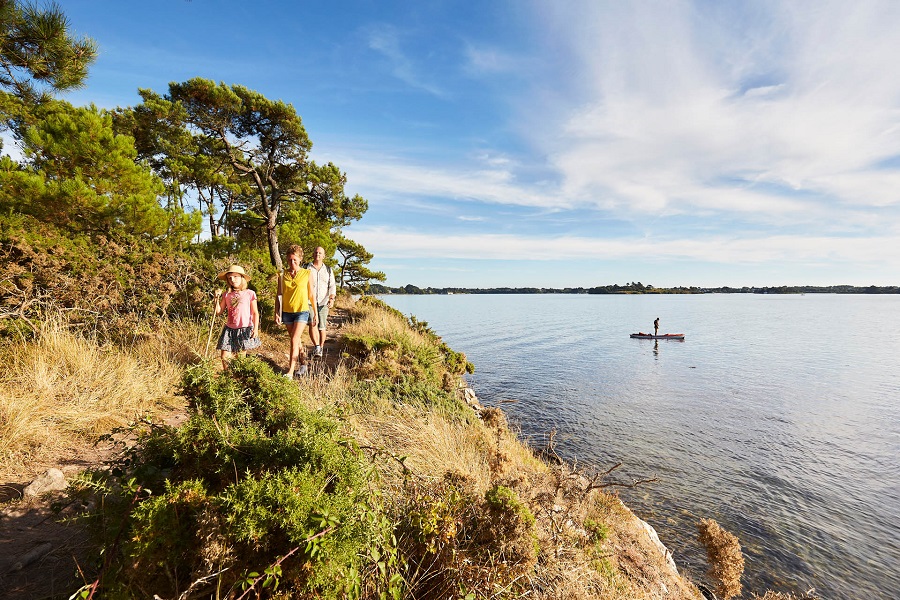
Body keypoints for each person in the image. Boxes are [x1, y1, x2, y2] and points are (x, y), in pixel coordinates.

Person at [275, 245, 317, 378]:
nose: (292, 263)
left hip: (302, 311)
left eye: (294, 260)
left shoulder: (307, 273)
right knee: (296, 341)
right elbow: (279, 295)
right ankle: (303, 364)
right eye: (289, 260)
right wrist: (277, 312)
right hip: (287, 312)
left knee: (294, 339)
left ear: (300, 259)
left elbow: (311, 295)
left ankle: (290, 371)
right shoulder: (282, 275)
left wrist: (315, 313)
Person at [215, 265, 260, 370]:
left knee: (239, 358)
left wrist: (256, 329)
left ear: (242, 278)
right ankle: (228, 377)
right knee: (224, 356)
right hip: (229, 329)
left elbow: (255, 313)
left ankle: (238, 379)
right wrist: (216, 299)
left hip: (244, 328)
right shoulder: (227, 295)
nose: (232, 280)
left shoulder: (250, 293)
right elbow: (218, 311)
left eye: (235, 277)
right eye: (230, 278)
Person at [306, 246, 336, 358]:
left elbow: (332, 286)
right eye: (316, 252)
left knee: (322, 326)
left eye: (320, 253)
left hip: (324, 302)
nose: (317, 254)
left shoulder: (328, 270)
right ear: (313, 254)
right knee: (312, 323)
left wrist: (331, 299)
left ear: (324, 256)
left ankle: (321, 347)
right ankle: (317, 347)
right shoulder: (306, 268)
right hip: (309, 301)